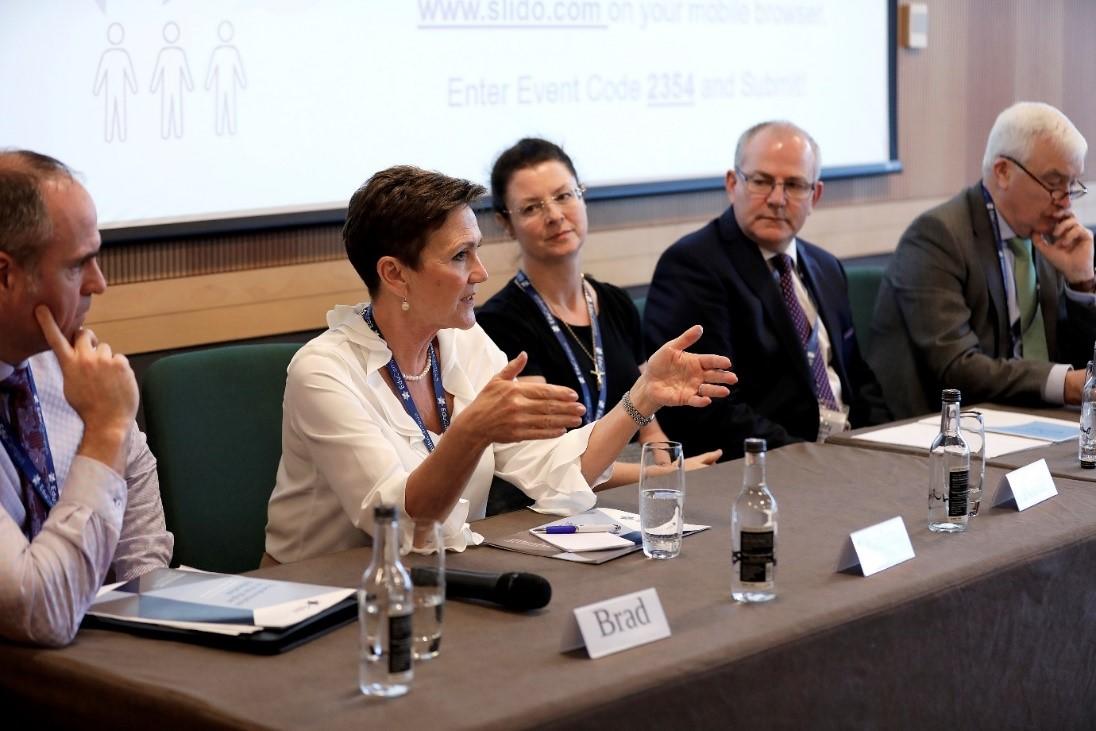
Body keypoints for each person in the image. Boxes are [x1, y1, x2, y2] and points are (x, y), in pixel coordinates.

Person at [265, 165, 736, 562]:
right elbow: (401, 525)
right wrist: (473, 431)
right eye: (459, 256)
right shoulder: (323, 372)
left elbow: (550, 468)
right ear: (394, 274)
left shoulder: (463, 343)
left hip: (439, 578)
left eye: (478, 251)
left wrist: (641, 398)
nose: (481, 273)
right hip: (319, 596)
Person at [477, 138, 722, 488]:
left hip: (632, 493)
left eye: (564, 196)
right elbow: (546, 461)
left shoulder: (614, 302)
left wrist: (663, 478)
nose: (555, 216)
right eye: (532, 207)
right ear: (505, 222)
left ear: (582, 195)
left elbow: (649, 426)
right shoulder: (502, 322)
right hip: (557, 504)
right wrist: (656, 476)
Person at [0, 151, 173, 647]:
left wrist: (149, 603)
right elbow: (40, 612)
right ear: (6, 274)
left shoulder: (57, 361)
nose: (100, 283)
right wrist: (105, 430)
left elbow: (132, 467)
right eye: (78, 266)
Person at [644, 121, 888, 461]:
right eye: (761, 181)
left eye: (794, 185)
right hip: (769, 464)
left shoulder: (826, 267)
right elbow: (711, 411)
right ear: (732, 184)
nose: (777, 199)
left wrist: (884, 447)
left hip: (847, 455)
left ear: (815, 194)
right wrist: (811, 457)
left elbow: (859, 382)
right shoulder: (693, 266)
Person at [869, 102, 1096, 418]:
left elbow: (1085, 366)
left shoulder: (1052, 236)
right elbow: (957, 368)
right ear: (1003, 172)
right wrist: (1068, 385)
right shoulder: (937, 237)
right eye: (1054, 183)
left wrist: (1081, 281)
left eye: (1073, 185)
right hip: (946, 429)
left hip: (1038, 422)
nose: (1066, 202)